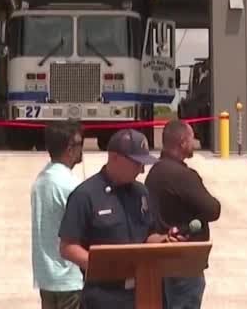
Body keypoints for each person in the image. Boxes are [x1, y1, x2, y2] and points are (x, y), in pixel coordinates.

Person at [59, 128, 181, 308]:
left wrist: (164, 240)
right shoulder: (85, 195)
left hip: (144, 293)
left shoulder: (141, 193)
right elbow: (68, 247)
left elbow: (148, 236)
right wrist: (104, 266)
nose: (141, 170)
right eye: (137, 163)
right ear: (115, 157)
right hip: (104, 297)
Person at [144, 119, 221, 308]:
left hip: (160, 259)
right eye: (191, 138)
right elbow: (213, 209)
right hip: (184, 262)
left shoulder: (155, 172)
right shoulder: (183, 175)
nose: (194, 143)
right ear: (182, 142)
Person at [31, 120, 86, 309]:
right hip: (69, 277)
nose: (81, 150)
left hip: (46, 276)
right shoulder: (70, 184)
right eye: (80, 145)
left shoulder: (41, 180)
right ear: (70, 149)